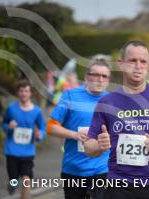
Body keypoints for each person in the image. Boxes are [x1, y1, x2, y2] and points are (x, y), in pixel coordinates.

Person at [84, 41, 149, 199]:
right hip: (118, 186)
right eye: (133, 60)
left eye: (143, 61)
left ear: (148, 65)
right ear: (121, 64)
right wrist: (99, 144)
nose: (138, 66)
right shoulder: (107, 102)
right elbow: (88, 147)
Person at [47, 60, 111, 199]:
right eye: (96, 75)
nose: (100, 79)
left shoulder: (112, 101)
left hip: (102, 169)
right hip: (73, 169)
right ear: (87, 77)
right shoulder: (70, 96)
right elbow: (51, 127)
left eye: (104, 76)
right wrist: (75, 134)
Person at [2, 80, 46, 199]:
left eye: (26, 91)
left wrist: (39, 135)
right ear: (17, 93)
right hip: (12, 150)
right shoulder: (11, 109)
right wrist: (9, 126)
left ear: (30, 93)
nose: (23, 94)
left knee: (26, 179)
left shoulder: (37, 111)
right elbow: (4, 125)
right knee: (14, 179)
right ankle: (12, 184)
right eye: (21, 91)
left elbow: (42, 128)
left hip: (27, 151)